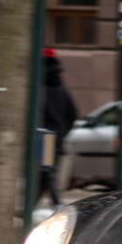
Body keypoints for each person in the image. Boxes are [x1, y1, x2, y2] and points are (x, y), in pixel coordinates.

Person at [40, 49, 78, 207]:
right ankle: (54, 201)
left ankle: (55, 202)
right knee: (47, 169)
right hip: (55, 136)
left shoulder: (40, 89)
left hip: (44, 136)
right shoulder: (62, 90)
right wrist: (62, 131)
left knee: (46, 171)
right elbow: (73, 113)